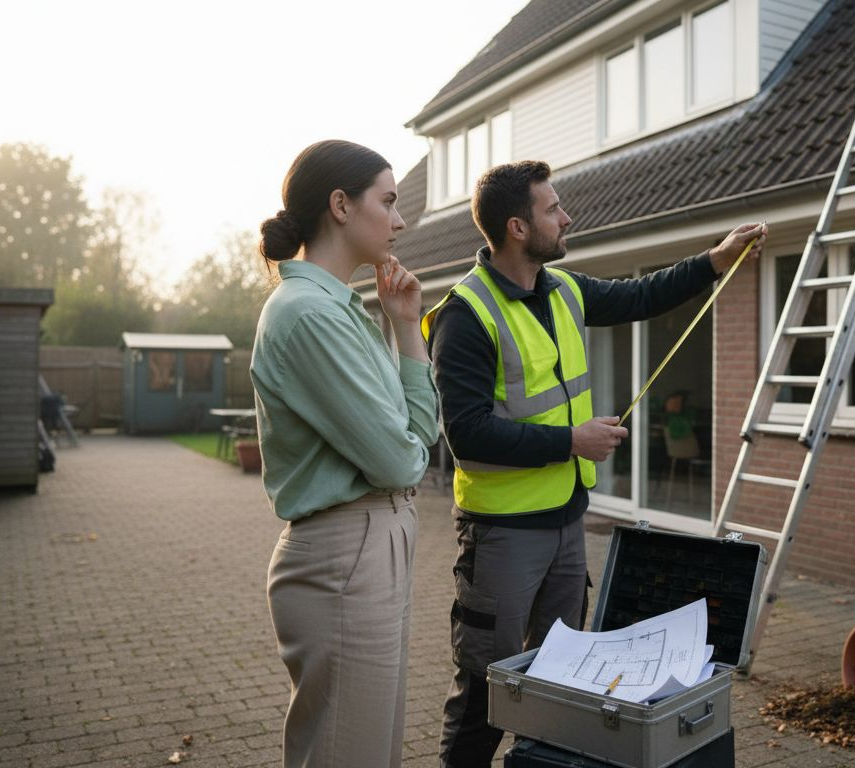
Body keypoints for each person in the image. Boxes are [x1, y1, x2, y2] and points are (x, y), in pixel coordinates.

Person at [422, 160, 765, 767]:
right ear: (517, 228)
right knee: (484, 694)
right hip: (501, 536)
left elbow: (642, 294)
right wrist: (569, 442)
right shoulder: (465, 314)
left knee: (563, 688)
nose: (566, 216)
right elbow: (466, 434)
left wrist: (715, 259)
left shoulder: (564, 289)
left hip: (565, 527)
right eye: (552, 208)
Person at [251, 139, 439, 768]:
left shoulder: (347, 311)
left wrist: (408, 326)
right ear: (340, 205)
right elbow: (401, 460)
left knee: (368, 751)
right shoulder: (309, 316)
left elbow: (421, 437)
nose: (401, 219)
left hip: (367, 546)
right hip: (345, 553)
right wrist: (407, 449)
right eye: (388, 201)